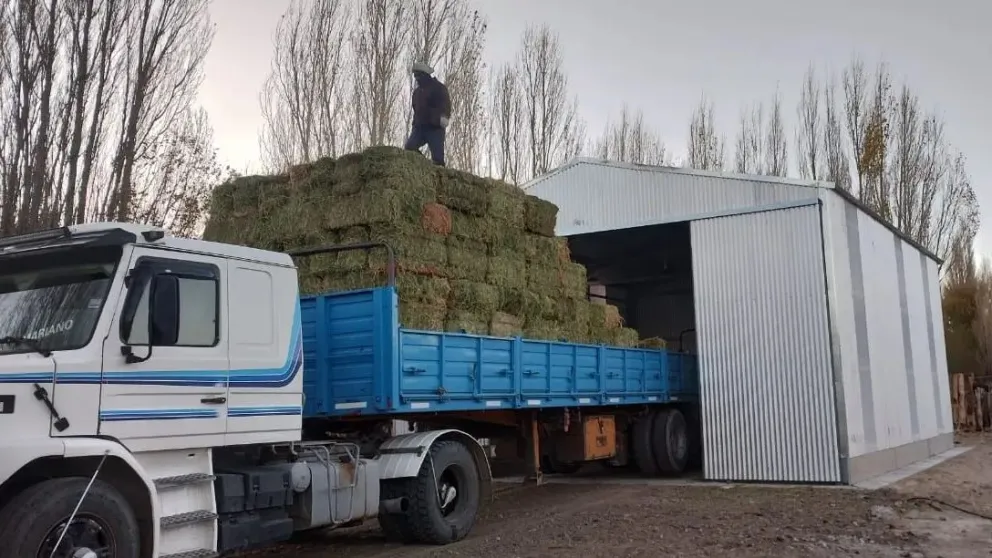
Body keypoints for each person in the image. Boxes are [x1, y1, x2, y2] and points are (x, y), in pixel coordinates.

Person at [404, 62, 451, 166]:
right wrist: (415, 124)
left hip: (435, 127)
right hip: (420, 128)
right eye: (415, 76)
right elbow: (416, 110)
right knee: (409, 147)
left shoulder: (439, 88)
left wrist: (443, 118)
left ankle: (437, 171)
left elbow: (445, 105)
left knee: (438, 159)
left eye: (419, 75)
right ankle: (424, 165)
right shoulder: (417, 93)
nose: (417, 78)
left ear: (425, 75)